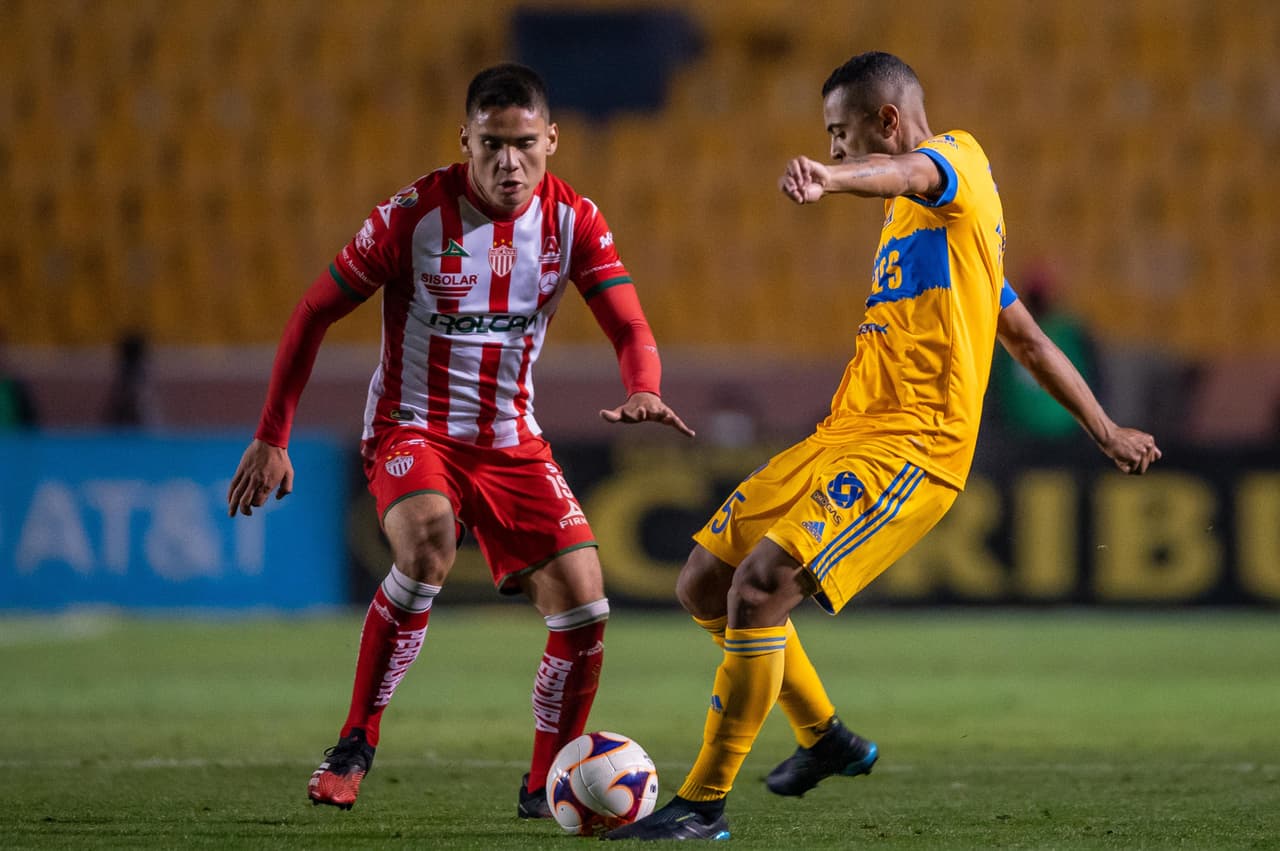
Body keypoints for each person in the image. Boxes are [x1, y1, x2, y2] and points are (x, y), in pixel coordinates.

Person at [604, 51, 1160, 842]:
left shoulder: (957, 163)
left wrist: (833, 181)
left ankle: (702, 804)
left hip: (912, 451)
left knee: (761, 587)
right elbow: (1027, 340)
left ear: (888, 123)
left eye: (840, 133)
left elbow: (911, 173)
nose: (833, 148)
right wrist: (1107, 428)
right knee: (703, 581)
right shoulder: (935, 233)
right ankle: (825, 737)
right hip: (842, 435)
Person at [226, 63, 693, 817]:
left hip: (512, 440)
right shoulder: (410, 217)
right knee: (428, 543)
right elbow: (312, 312)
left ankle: (545, 784)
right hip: (414, 428)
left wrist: (643, 383)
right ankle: (354, 741)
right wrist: (271, 434)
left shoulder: (574, 219)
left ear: (552, 140)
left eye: (525, 145)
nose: (509, 164)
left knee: (585, 605)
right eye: (491, 145)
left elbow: (629, 323)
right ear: (465, 142)